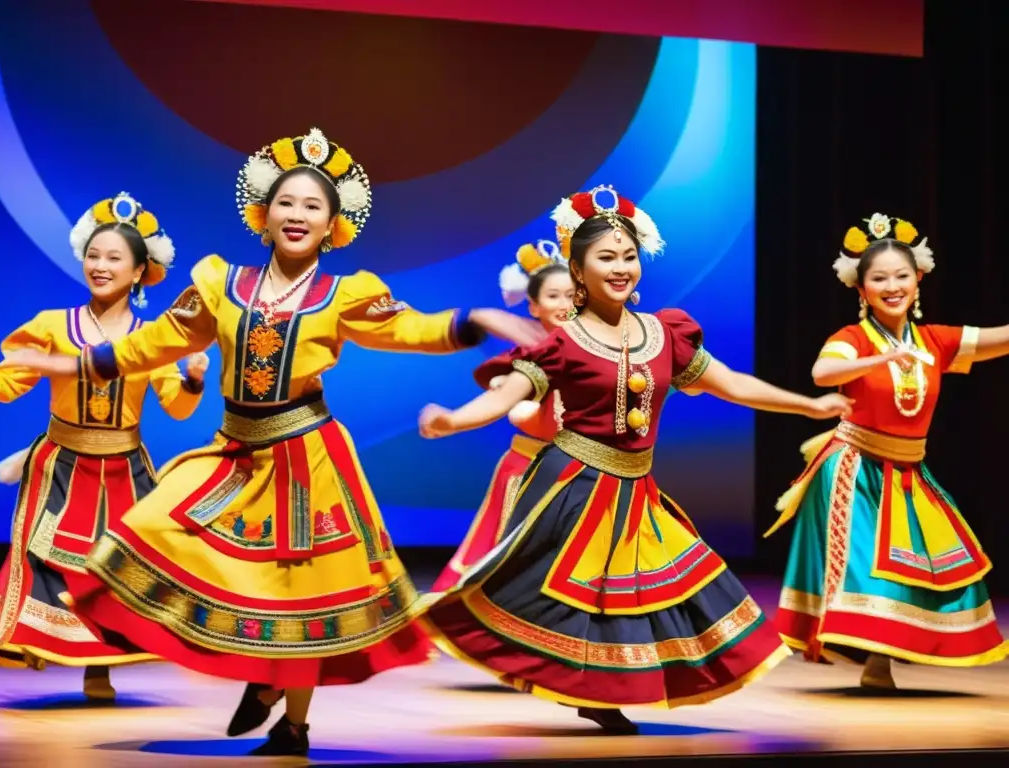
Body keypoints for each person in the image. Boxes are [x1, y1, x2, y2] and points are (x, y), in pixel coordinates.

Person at [6, 128, 544, 756]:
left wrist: (475, 319)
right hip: (236, 451)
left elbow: (409, 328)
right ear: (263, 214)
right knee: (152, 530)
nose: (298, 215)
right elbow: (149, 347)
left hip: (307, 455)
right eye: (287, 202)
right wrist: (72, 366)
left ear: (332, 225)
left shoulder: (344, 295)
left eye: (314, 206)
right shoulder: (218, 285)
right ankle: (253, 678)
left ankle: (293, 725)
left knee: (304, 590)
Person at [417, 186, 852, 733]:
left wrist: (808, 404)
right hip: (575, 486)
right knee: (576, 596)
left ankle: (602, 691)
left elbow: (733, 385)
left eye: (629, 256)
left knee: (646, 594)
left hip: (636, 486)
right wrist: (454, 420)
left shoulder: (663, 334)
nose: (621, 268)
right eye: (606, 257)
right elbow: (505, 396)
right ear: (577, 270)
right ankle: (594, 691)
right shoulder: (563, 342)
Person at [766, 212, 1009, 688]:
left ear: (918, 280)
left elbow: (997, 340)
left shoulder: (934, 341)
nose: (892, 286)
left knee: (941, 562)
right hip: (851, 469)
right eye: (879, 278)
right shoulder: (852, 339)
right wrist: (881, 357)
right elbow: (822, 374)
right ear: (861, 289)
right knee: (869, 568)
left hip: (908, 471)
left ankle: (888, 655)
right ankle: (877, 663)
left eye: (902, 276)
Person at [0, 193, 206, 699]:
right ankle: (32, 641)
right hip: (60, 465)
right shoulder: (50, 326)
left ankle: (99, 666)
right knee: (46, 562)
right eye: (94, 255)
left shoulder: (151, 339)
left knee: (111, 572)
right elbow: (4, 385)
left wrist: (192, 380)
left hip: (123, 469)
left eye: (114, 259)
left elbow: (176, 405)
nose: (100, 266)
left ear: (137, 273)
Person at [433, 241, 573, 592]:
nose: (564, 304)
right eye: (554, 296)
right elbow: (502, 396)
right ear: (534, 305)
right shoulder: (533, 353)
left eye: (572, 295)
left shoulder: (599, 344)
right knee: (506, 557)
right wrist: (450, 421)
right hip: (528, 467)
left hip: (583, 470)